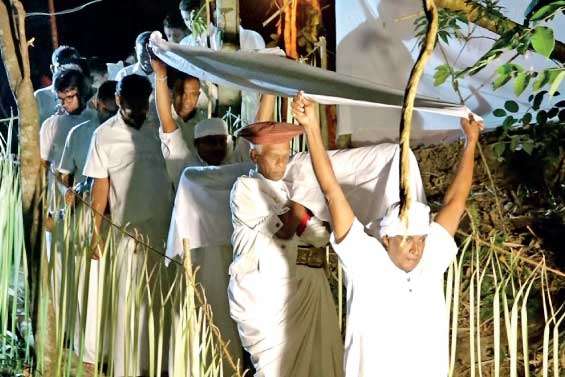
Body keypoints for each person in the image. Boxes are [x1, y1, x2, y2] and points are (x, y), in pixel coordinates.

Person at [291, 92, 484, 377]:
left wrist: (471, 142)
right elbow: (332, 191)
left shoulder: (432, 257)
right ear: (386, 239)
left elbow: (456, 202)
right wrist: (312, 128)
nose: (416, 247)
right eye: (407, 238)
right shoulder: (363, 257)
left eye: (420, 238)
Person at [227, 121, 344, 377]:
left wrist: (300, 205)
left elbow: (321, 235)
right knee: (276, 369)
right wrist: (303, 202)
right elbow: (285, 228)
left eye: (286, 157)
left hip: (306, 288)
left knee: (318, 364)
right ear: (254, 155)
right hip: (267, 296)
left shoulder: (294, 189)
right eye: (274, 157)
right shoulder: (245, 188)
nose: (282, 163)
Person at [84, 74, 173, 377]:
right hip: (127, 236)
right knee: (128, 305)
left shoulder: (160, 129)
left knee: (161, 303)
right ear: (118, 100)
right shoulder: (104, 135)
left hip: (164, 235)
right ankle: (129, 367)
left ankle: (160, 366)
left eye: (142, 103)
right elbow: (99, 191)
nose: (138, 109)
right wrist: (94, 235)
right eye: (131, 103)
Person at [178, 0, 264, 125]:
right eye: (186, 20)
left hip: (243, 106)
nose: (191, 24)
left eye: (195, 18)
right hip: (206, 110)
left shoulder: (248, 37)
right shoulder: (185, 44)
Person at [34, 45, 81, 124]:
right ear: (52, 69)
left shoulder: (88, 94)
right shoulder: (40, 97)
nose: (68, 72)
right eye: (62, 68)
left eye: (73, 67)